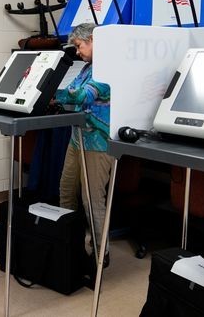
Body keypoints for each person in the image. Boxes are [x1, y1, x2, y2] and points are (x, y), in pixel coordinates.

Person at [54, 23, 113, 267]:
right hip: (77, 139)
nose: (77, 52)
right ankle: (68, 243)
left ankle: (101, 253)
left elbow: (81, 95)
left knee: (92, 201)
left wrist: (52, 90)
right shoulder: (86, 68)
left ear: (92, 39)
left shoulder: (109, 67)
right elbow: (72, 91)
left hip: (98, 143)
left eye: (79, 46)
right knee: (66, 191)